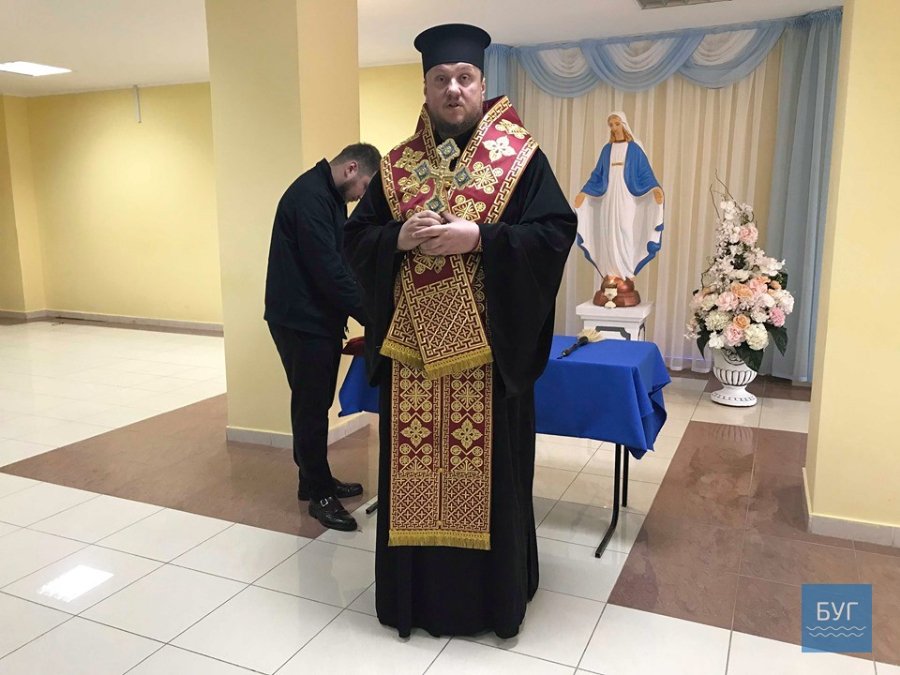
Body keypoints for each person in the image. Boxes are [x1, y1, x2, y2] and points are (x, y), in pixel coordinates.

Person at [344, 24, 576, 638]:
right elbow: (355, 238)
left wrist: (481, 238)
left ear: (482, 84)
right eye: (441, 78)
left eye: (465, 78)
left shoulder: (521, 157)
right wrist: (396, 238)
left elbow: (555, 233)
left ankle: (492, 602)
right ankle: (414, 602)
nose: (454, 89)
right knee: (413, 476)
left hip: (487, 363)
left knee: (492, 480)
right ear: (425, 88)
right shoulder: (396, 166)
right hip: (413, 365)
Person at [265, 143, 380, 531]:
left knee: (315, 403)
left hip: (316, 319)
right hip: (301, 321)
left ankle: (313, 479)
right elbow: (328, 270)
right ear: (351, 169)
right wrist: (372, 316)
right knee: (311, 407)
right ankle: (320, 496)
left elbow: (341, 260)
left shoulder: (328, 196)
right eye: (365, 186)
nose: (362, 196)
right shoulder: (310, 198)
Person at [574, 112, 664, 294]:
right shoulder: (606, 150)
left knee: (624, 229)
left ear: (623, 124)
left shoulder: (634, 149)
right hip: (609, 196)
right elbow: (597, 174)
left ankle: (627, 273)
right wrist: (584, 192)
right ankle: (611, 273)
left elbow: (645, 173)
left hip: (626, 195)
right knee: (609, 231)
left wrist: (655, 188)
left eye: (616, 123)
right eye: (611, 125)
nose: (614, 128)